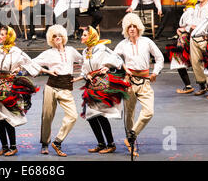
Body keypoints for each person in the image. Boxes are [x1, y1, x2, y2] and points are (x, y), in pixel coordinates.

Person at [0, 25, 52, 156]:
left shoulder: (17, 51)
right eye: (0, 34)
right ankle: (4, 147)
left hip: (10, 87)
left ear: (9, 36)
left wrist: (20, 70)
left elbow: (30, 64)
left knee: (8, 117)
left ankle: (13, 146)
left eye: (2, 34)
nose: (0, 37)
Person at [114, 13, 164, 157]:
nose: (132, 29)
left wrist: (155, 72)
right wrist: (123, 67)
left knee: (149, 112)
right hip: (129, 82)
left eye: (134, 26)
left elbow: (159, 58)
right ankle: (131, 142)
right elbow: (113, 58)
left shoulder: (146, 42)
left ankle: (131, 135)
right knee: (129, 114)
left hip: (145, 81)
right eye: (129, 26)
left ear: (139, 28)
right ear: (125, 29)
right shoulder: (122, 44)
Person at [74, 26, 130, 154]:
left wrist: (107, 68)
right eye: (82, 35)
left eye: (84, 35)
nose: (82, 37)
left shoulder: (101, 49)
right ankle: (101, 143)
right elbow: (85, 69)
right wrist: (82, 76)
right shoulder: (85, 51)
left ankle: (110, 144)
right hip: (91, 85)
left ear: (92, 36)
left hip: (101, 84)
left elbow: (117, 59)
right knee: (91, 116)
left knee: (99, 115)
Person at [31, 24, 83, 157]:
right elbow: (32, 63)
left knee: (73, 116)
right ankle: (44, 143)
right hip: (51, 87)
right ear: (51, 39)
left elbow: (84, 60)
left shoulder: (71, 50)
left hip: (66, 88)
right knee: (47, 116)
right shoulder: (48, 53)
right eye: (54, 36)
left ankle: (58, 141)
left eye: (60, 35)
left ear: (64, 37)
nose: (57, 38)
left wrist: (82, 75)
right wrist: (47, 70)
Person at [166, 0, 197, 94]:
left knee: (181, 61)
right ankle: (191, 85)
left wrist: (183, 29)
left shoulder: (190, 11)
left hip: (186, 40)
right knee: (183, 62)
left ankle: (193, 85)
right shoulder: (189, 10)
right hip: (183, 38)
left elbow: (192, 25)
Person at [189, 0, 208, 96]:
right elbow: (192, 21)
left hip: (204, 38)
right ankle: (202, 85)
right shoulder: (196, 6)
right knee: (195, 62)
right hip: (194, 38)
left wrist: (198, 27)